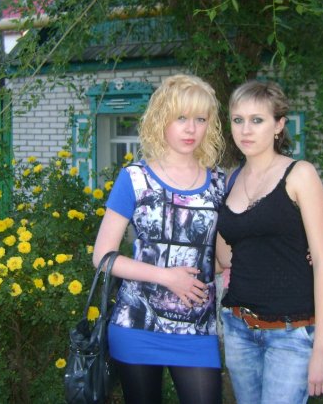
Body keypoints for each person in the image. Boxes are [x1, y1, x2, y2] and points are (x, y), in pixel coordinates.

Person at [92, 74, 226, 404]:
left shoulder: (219, 183)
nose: (191, 129)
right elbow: (103, 257)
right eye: (181, 118)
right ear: (161, 119)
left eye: (200, 119)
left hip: (198, 329)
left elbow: (222, 257)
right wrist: (166, 277)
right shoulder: (134, 178)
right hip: (136, 323)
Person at [216, 80, 323, 404]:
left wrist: (322, 348)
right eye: (238, 120)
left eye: (257, 120)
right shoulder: (230, 179)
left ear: (279, 125)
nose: (245, 129)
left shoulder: (300, 175)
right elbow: (226, 258)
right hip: (238, 327)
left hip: (290, 333)